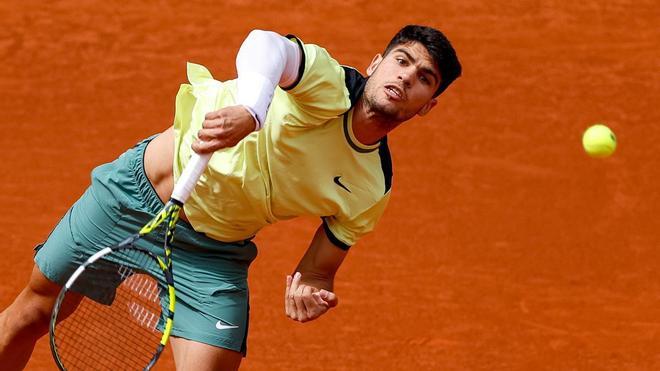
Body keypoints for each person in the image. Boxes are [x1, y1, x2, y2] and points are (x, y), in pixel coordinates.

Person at [0, 24, 461, 370]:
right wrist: (252, 109)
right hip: (133, 200)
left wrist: (311, 289)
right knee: (33, 314)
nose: (406, 77)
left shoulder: (371, 185)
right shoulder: (328, 84)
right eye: (401, 60)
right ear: (376, 63)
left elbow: (319, 268)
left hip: (213, 252)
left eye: (424, 77)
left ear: (428, 105)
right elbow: (266, 43)